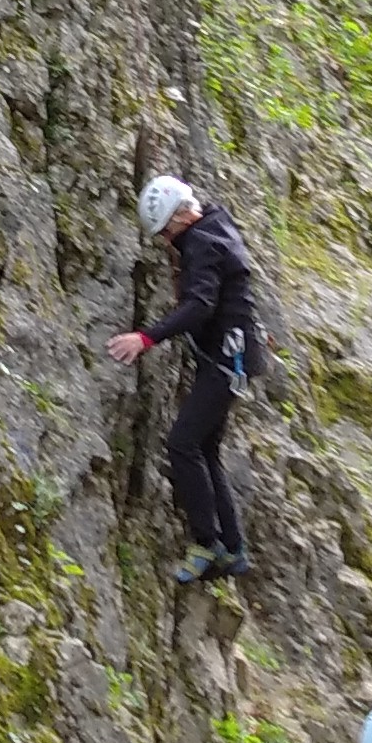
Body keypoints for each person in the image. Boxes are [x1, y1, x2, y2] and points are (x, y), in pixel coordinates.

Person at [107, 175, 264, 586]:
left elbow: (199, 306)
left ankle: (206, 543)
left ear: (180, 216)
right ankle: (233, 548)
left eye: (167, 233)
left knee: (182, 443)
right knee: (205, 449)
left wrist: (145, 338)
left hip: (227, 360)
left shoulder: (201, 243)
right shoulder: (216, 223)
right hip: (235, 356)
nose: (166, 243)